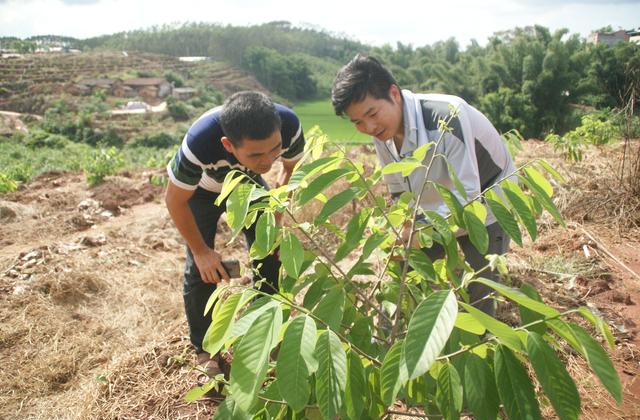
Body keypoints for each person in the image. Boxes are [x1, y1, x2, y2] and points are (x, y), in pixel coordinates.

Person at [331, 54, 515, 316]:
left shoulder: (447, 116)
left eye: (372, 113)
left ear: (394, 94)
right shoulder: (381, 133)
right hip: (433, 212)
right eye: (358, 122)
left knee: (479, 290)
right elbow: (397, 189)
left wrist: (420, 236)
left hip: (486, 202)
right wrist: (402, 229)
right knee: (411, 281)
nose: (368, 126)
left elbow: (469, 201)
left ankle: (478, 345)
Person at [165, 91, 305, 380]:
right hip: (202, 190)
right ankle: (205, 350)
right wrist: (202, 251)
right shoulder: (199, 142)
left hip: (247, 184)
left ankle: (264, 333)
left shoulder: (289, 124)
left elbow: (289, 168)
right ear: (228, 145)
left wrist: (275, 213)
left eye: (274, 149)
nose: (268, 161)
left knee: (270, 252)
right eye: (256, 154)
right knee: (201, 268)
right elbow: (174, 201)